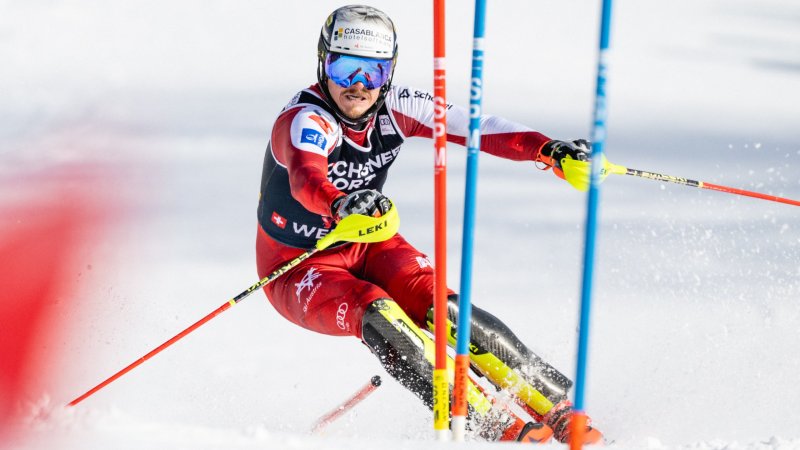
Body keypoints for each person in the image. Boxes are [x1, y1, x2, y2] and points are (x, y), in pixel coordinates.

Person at [256, 4, 602, 444]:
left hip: (368, 244)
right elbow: (307, 177)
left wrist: (548, 150)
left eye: (374, 73)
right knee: (378, 312)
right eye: (344, 68)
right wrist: (339, 204)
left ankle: (561, 411)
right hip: (298, 265)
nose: (358, 86)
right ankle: (501, 427)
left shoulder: (398, 107)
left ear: (390, 72)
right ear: (323, 63)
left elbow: (478, 127)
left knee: (445, 309)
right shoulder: (308, 119)